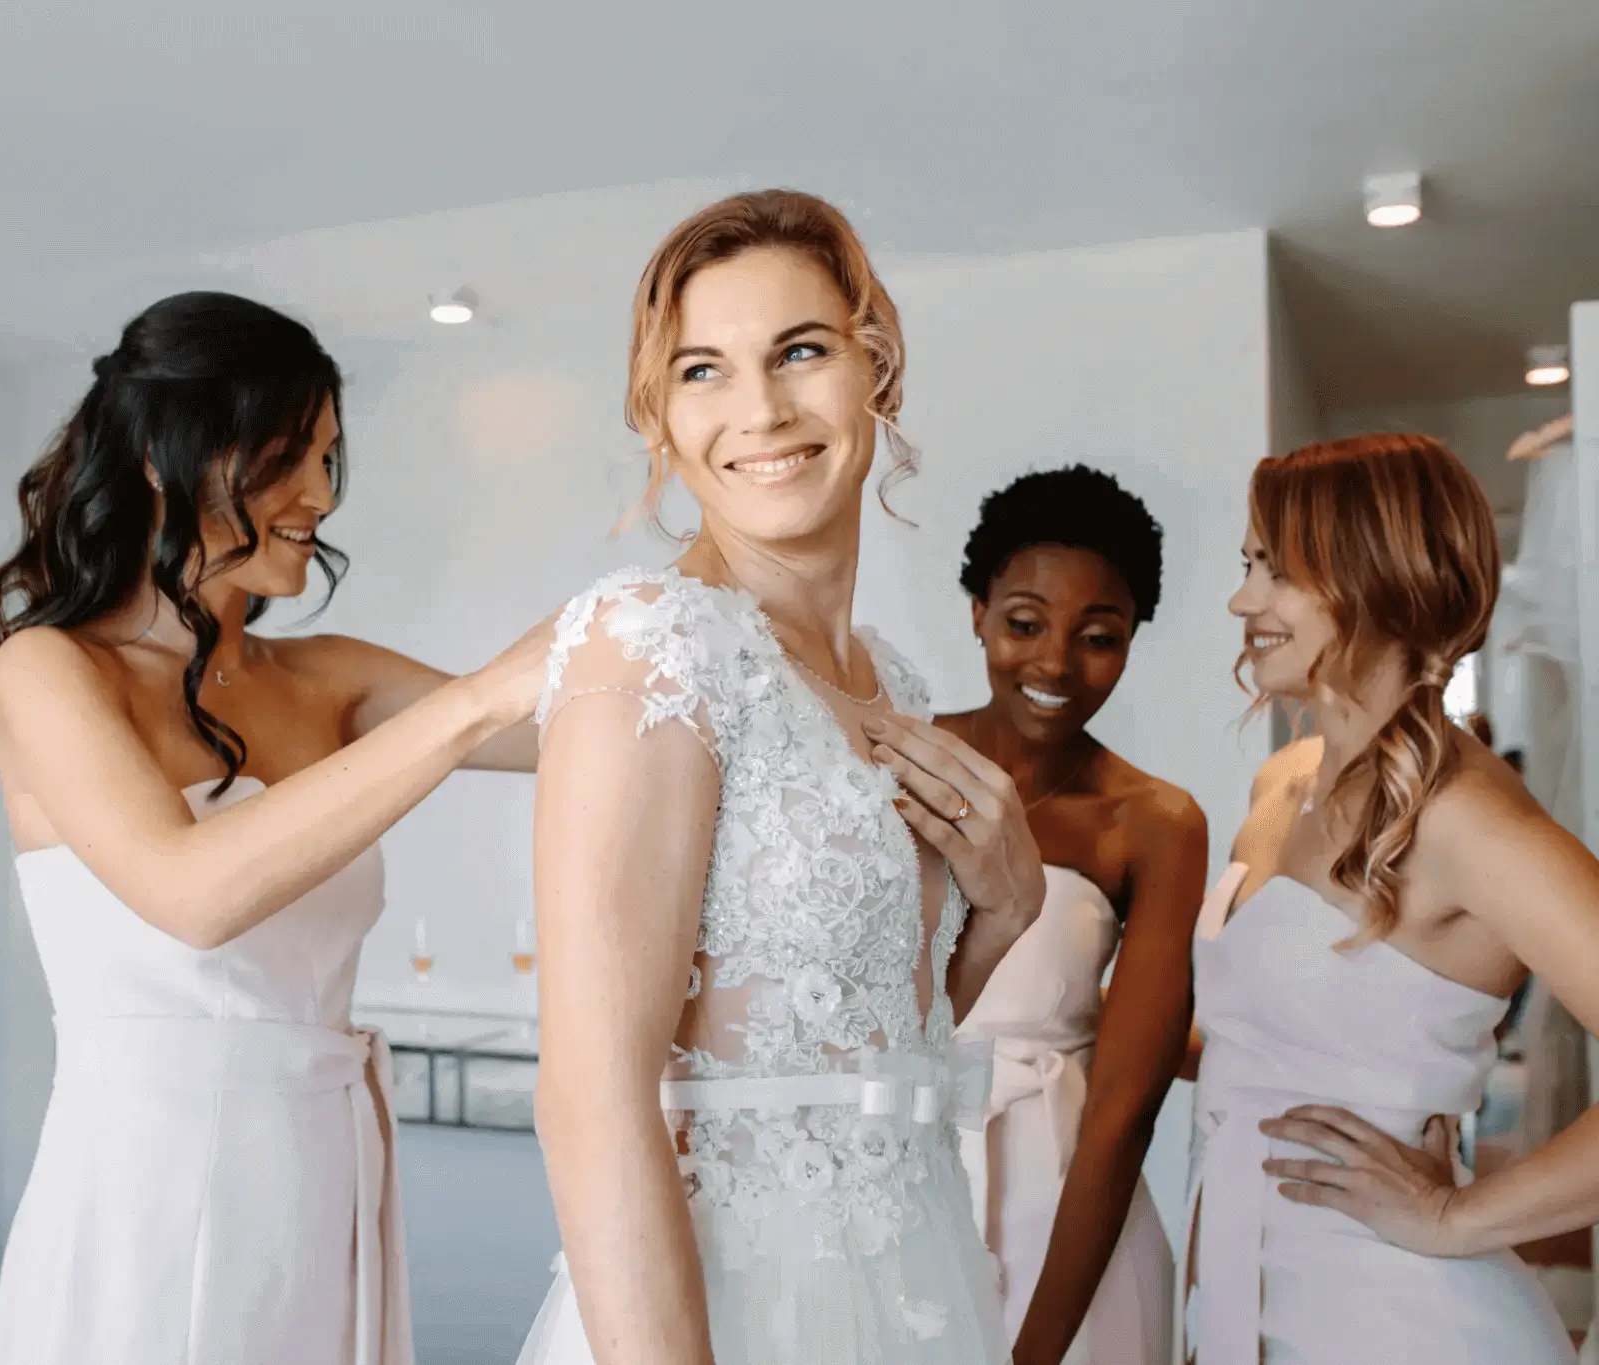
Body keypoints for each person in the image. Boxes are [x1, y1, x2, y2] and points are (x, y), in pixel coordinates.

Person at [0, 291, 549, 1365]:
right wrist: (463, 709)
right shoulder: (50, 671)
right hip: (146, 1191)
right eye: (284, 458)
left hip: (323, 1175)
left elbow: (585, 733)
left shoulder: (330, 679)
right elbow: (191, 894)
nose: (319, 494)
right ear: (165, 462)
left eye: (326, 458)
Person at [514, 189, 1047, 1365]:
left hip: (916, 1271)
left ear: (877, 368)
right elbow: (590, 1101)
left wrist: (1009, 906)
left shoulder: (892, 681)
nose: (758, 409)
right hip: (739, 1305)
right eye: (702, 371)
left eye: (799, 352)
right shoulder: (649, 641)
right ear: (657, 417)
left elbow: (874, 1033)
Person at [1180, 432, 1589, 1365]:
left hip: (1402, 1323)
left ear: (1376, 575)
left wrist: (1455, 1214)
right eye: (1250, 565)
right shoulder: (1284, 781)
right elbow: (1270, 1049)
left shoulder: (1468, 818)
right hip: (1244, 1300)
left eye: (1278, 571)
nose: (1244, 600)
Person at [941, 467, 1206, 1365]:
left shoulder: (1154, 822)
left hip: (1069, 1219)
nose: (1055, 664)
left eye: (1099, 637)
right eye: (1024, 623)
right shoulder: (897, 761)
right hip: (888, 1192)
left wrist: (1041, 1347)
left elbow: (1128, 1103)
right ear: (977, 609)